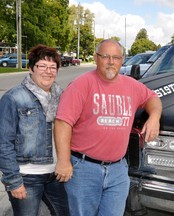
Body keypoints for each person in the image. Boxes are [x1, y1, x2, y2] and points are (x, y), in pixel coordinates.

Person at [54, 39, 162, 216]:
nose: (111, 62)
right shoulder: (81, 85)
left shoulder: (131, 85)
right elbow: (62, 122)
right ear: (96, 58)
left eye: (116, 57)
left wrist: (154, 117)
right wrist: (64, 161)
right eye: (105, 56)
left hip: (118, 170)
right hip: (84, 169)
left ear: (122, 60)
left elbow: (153, 98)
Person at [0, 44, 69, 216]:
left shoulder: (62, 97)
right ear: (31, 68)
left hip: (55, 174)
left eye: (53, 67)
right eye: (42, 66)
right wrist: (13, 181)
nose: (48, 71)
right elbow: (3, 142)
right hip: (27, 176)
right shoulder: (14, 97)